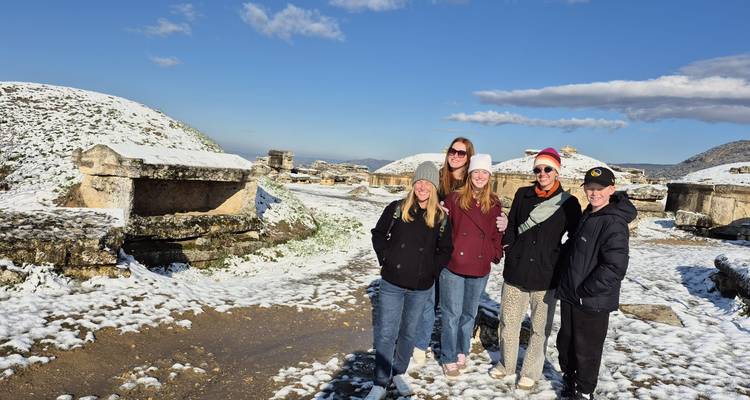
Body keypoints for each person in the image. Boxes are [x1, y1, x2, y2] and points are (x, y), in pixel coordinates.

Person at [490, 147, 582, 390]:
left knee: (539, 329)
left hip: (547, 275)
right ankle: (507, 364)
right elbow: (511, 226)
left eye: (547, 169)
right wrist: (509, 247)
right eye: (538, 169)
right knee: (508, 322)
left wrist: (558, 258)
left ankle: (530, 371)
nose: (542, 173)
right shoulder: (522, 194)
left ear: (557, 172)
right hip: (516, 271)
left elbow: (574, 238)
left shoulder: (570, 204)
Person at [367, 161, 453, 399]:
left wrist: (431, 270)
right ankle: (379, 382)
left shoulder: (441, 218)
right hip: (392, 282)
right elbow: (378, 234)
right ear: (414, 184)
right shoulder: (397, 208)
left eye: (428, 183)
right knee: (386, 332)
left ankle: (398, 373)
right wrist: (386, 257)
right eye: (419, 182)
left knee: (408, 332)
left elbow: (445, 250)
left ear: (434, 187)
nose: (423, 187)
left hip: (420, 286)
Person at [556, 167, 636, 400]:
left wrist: (586, 291)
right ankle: (570, 382)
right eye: (590, 188)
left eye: (600, 189)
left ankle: (584, 390)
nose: (594, 193)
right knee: (567, 343)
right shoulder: (589, 214)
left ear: (611, 189)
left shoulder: (613, 222)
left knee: (587, 350)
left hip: (591, 299)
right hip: (573, 294)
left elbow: (615, 266)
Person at [439, 154, 503, 379]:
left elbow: (496, 233)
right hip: (454, 265)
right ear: (470, 174)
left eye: (484, 172)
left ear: (489, 176)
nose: (480, 176)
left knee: (469, 313)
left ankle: (462, 350)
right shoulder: (454, 199)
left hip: (479, 266)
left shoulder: (494, 203)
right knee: (451, 314)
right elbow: (442, 228)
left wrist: (494, 253)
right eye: (476, 172)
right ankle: (448, 356)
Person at [413, 137, 475, 365]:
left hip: (460, 250)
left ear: (469, 157)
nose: (456, 156)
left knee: (454, 308)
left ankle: (458, 348)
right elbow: (419, 198)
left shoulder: (474, 181)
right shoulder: (437, 177)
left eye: (462, 153)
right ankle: (421, 342)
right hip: (433, 244)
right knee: (429, 298)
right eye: (453, 151)